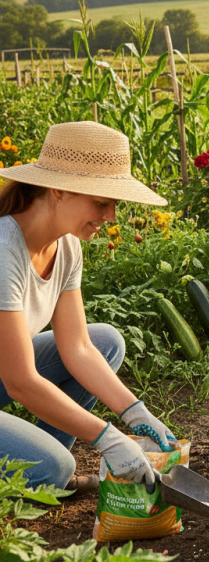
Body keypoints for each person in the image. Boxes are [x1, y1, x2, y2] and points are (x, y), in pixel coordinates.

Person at [0, 121, 179, 495]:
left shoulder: (66, 248)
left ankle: (38, 466)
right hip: (9, 376)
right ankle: (43, 471)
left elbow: (78, 348)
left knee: (104, 341)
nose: (111, 216)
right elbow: (19, 381)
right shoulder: (4, 251)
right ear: (59, 190)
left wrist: (134, 412)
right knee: (52, 468)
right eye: (101, 202)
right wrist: (108, 438)